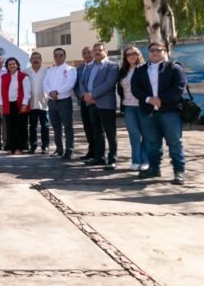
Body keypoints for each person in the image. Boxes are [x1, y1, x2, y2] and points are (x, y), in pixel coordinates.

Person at [131, 42, 187, 184]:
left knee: (174, 142)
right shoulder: (140, 69)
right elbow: (135, 88)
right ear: (148, 52)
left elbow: (179, 87)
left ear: (165, 51)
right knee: (152, 143)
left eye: (158, 50)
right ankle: (154, 169)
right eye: (152, 50)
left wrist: (160, 99)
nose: (155, 52)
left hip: (170, 112)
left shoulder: (174, 67)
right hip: (148, 112)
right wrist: (149, 99)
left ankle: (179, 172)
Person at [80, 42, 119, 170]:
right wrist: (85, 95)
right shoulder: (89, 66)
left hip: (105, 104)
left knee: (110, 133)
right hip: (91, 104)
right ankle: (99, 157)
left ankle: (112, 159)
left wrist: (92, 95)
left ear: (105, 51)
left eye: (99, 50)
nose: (97, 52)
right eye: (95, 50)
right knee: (96, 132)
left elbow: (109, 84)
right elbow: (82, 81)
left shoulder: (112, 66)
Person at [117, 46, 148, 171]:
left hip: (143, 106)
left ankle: (145, 161)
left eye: (134, 53)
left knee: (146, 134)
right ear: (125, 57)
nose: (131, 56)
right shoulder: (123, 71)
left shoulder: (145, 69)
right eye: (128, 54)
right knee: (134, 135)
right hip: (128, 106)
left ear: (138, 55)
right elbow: (120, 89)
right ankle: (136, 161)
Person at [43, 48, 77, 159]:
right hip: (52, 102)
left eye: (60, 55)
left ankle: (69, 151)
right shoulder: (50, 70)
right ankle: (59, 149)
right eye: (56, 55)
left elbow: (70, 84)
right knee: (56, 127)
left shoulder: (70, 69)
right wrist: (50, 92)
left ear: (64, 56)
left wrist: (57, 92)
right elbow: (45, 83)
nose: (58, 57)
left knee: (67, 127)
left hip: (64, 101)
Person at [0, 57, 31, 155]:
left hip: (20, 104)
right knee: (10, 127)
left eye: (14, 63)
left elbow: (27, 92)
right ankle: (11, 147)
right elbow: (1, 92)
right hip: (8, 105)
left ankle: (20, 148)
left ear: (17, 65)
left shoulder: (24, 76)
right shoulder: (4, 77)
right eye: (9, 64)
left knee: (20, 127)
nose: (12, 65)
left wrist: (25, 103)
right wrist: (1, 105)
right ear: (7, 66)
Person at [24, 52, 49, 154]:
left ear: (41, 59)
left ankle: (45, 146)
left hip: (44, 103)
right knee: (32, 126)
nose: (36, 60)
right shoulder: (26, 72)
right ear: (30, 60)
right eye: (33, 58)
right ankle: (33, 146)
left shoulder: (46, 71)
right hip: (31, 103)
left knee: (45, 126)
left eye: (38, 58)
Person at [75, 46, 96, 161]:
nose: (87, 54)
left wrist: (91, 96)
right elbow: (76, 85)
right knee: (87, 127)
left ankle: (98, 152)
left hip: (95, 102)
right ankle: (91, 151)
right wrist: (81, 95)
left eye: (89, 52)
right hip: (83, 102)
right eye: (84, 53)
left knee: (96, 128)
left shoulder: (96, 66)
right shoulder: (79, 69)